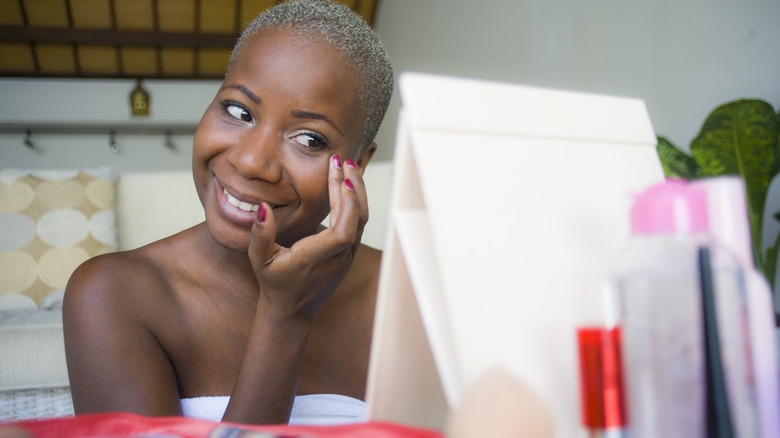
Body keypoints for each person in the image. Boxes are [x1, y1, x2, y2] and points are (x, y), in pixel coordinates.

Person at [63, 0, 393, 426]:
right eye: (239, 111)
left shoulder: (402, 296)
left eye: (310, 139)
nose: (253, 162)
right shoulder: (113, 294)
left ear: (358, 164)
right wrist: (284, 319)